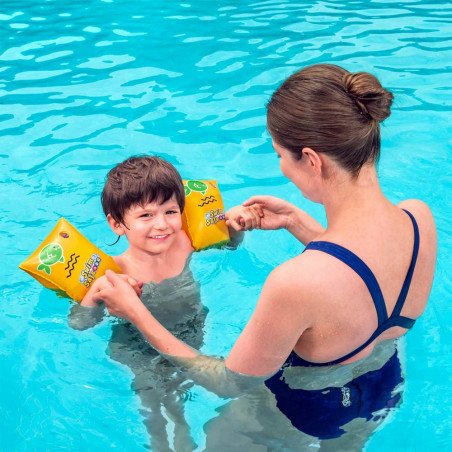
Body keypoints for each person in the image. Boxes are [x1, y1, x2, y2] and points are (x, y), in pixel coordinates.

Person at [96, 64, 437, 445]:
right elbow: (359, 278)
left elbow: (228, 382)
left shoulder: (294, 282)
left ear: (311, 160)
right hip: (382, 388)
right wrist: (295, 220)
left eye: (279, 154)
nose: (281, 166)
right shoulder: (418, 219)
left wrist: (135, 312)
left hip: (304, 409)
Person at [68, 156, 257, 450]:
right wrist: (93, 295)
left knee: (191, 390)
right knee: (162, 411)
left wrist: (237, 226)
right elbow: (79, 324)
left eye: (170, 211)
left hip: (191, 330)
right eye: (146, 216)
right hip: (138, 346)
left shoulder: (185, 241)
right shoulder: (114, 271)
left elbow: (229, 244)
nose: (162, 224)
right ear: (117, 224)